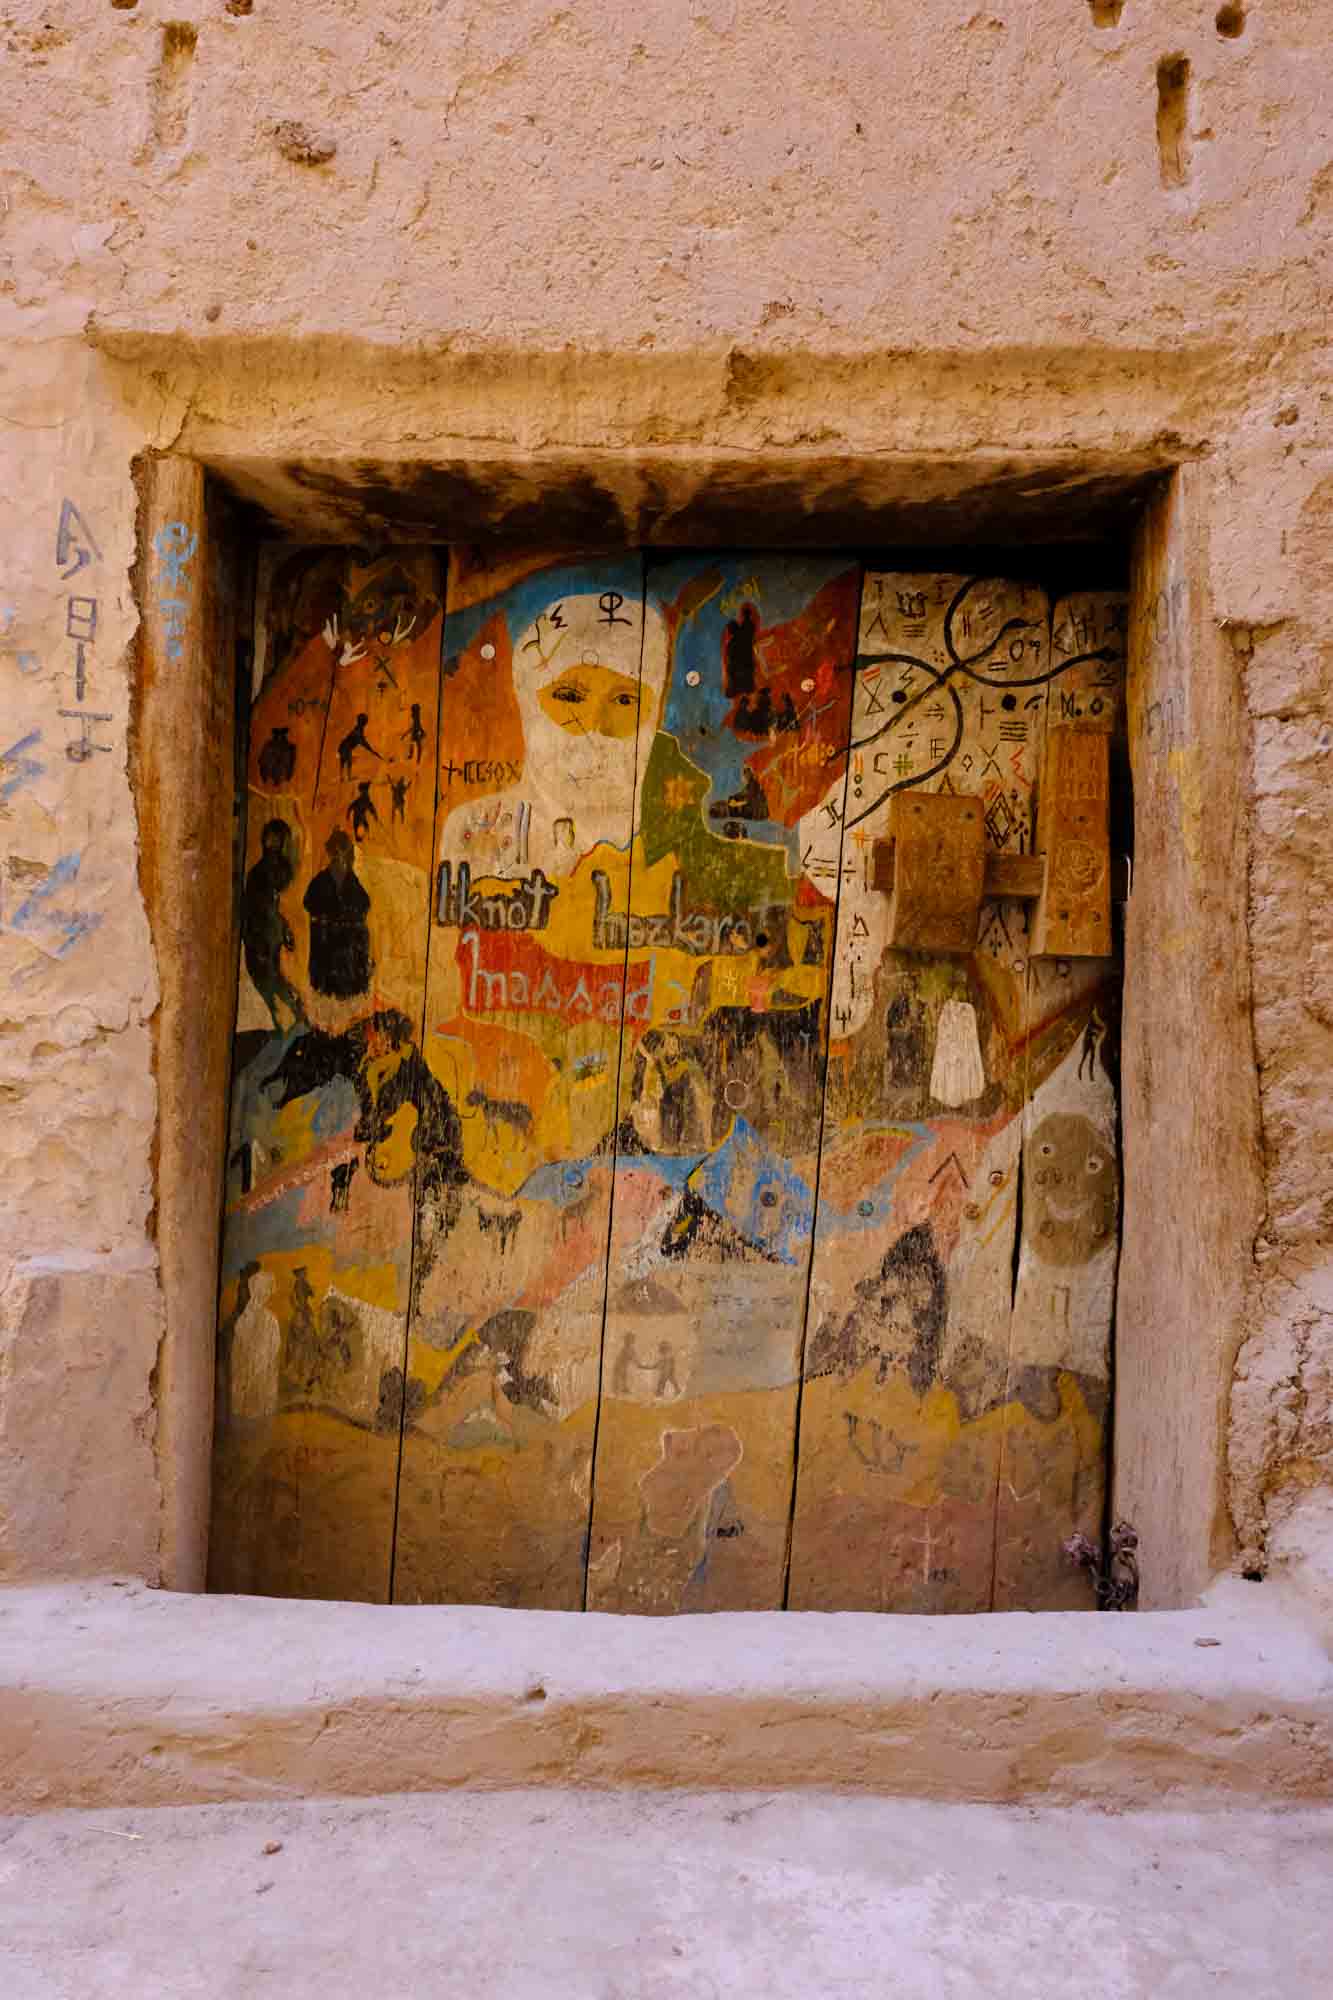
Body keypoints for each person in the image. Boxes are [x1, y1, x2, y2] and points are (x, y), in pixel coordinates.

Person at [240, 817, 305, 1030]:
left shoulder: (270, 871)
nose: (273, 845)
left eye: (278, 841)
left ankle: (289, 1015)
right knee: (268, 978)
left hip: (265, 935)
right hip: (261, 934)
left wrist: (282, 929)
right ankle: (287, 1015)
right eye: (272, 840)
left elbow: (270, 907)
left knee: (269, 977)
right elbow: (261, 907)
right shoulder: (261, 873)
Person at [304, 830, 372, 998]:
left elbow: (365, 905)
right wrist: (325, 917)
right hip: (327, 942)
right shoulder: (321, 880)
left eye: (341, 849)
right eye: (334, 850)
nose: (337, 854)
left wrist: (350, 920)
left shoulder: (352, 880)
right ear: (329, 853)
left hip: (347, 946)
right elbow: (308, 902)